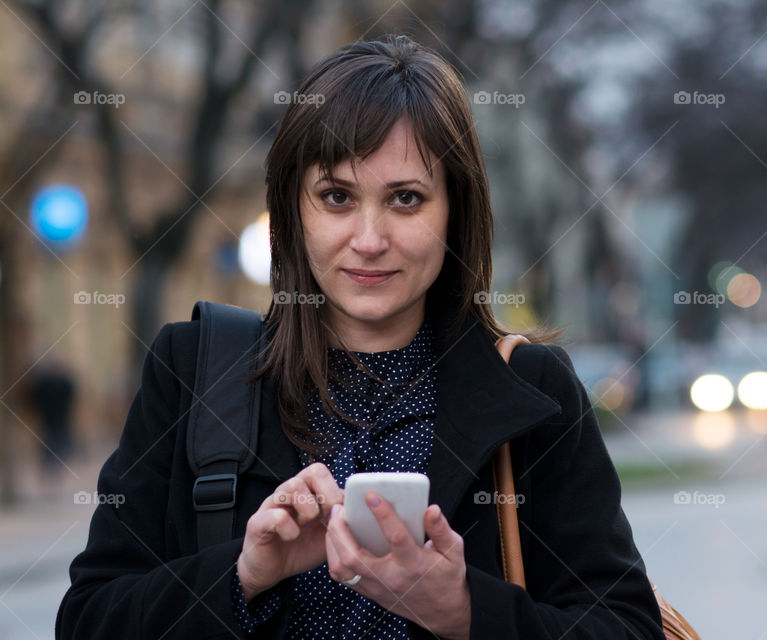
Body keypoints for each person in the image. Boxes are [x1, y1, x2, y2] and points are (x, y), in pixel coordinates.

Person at [56, 34, 666, 640]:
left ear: (455, 210)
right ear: (293, 210)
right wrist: (240, 577)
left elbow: (625, 626)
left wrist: (464, 611)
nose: (369, 239)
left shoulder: (532, 387)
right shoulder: (195, 370)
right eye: (336, 197)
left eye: (406, 199)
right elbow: (89, 621)